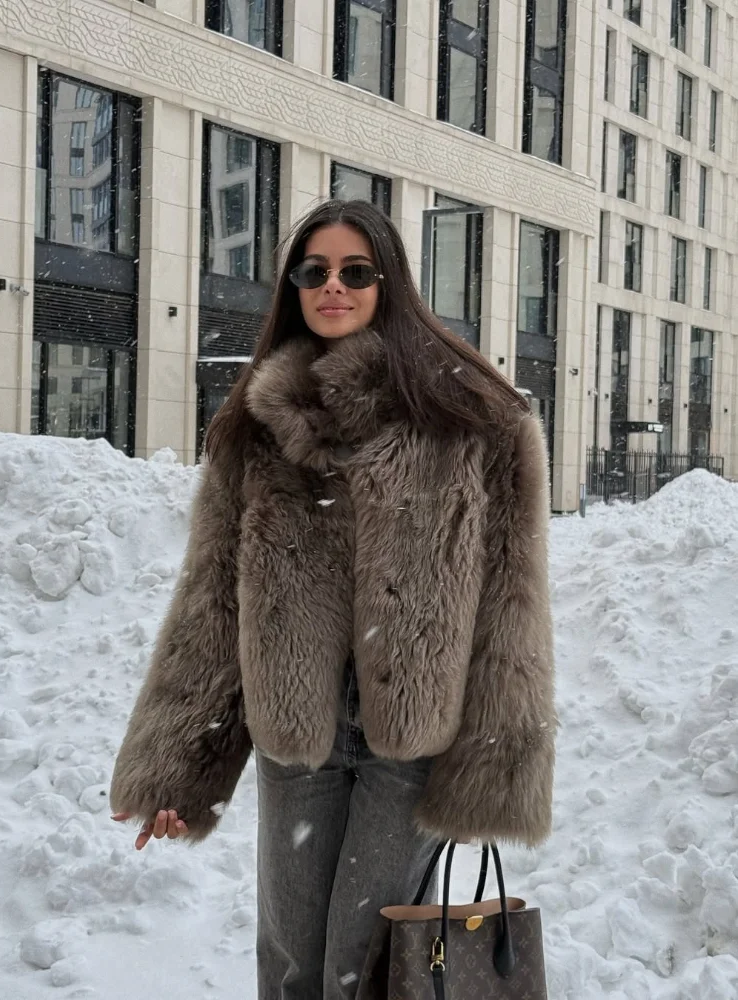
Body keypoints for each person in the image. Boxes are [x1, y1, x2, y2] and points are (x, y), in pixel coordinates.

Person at [110, 199, 556, 999]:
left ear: (390, 284)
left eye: (356, 271)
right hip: (297, 737)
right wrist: (177, 769)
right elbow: (213, 603)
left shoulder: (471, 420)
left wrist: (490, 770)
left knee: (366, 965)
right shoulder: (257, 425)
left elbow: (510, 606)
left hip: (410, 743)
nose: (334, 286)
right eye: (314, 271)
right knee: (292, 965)